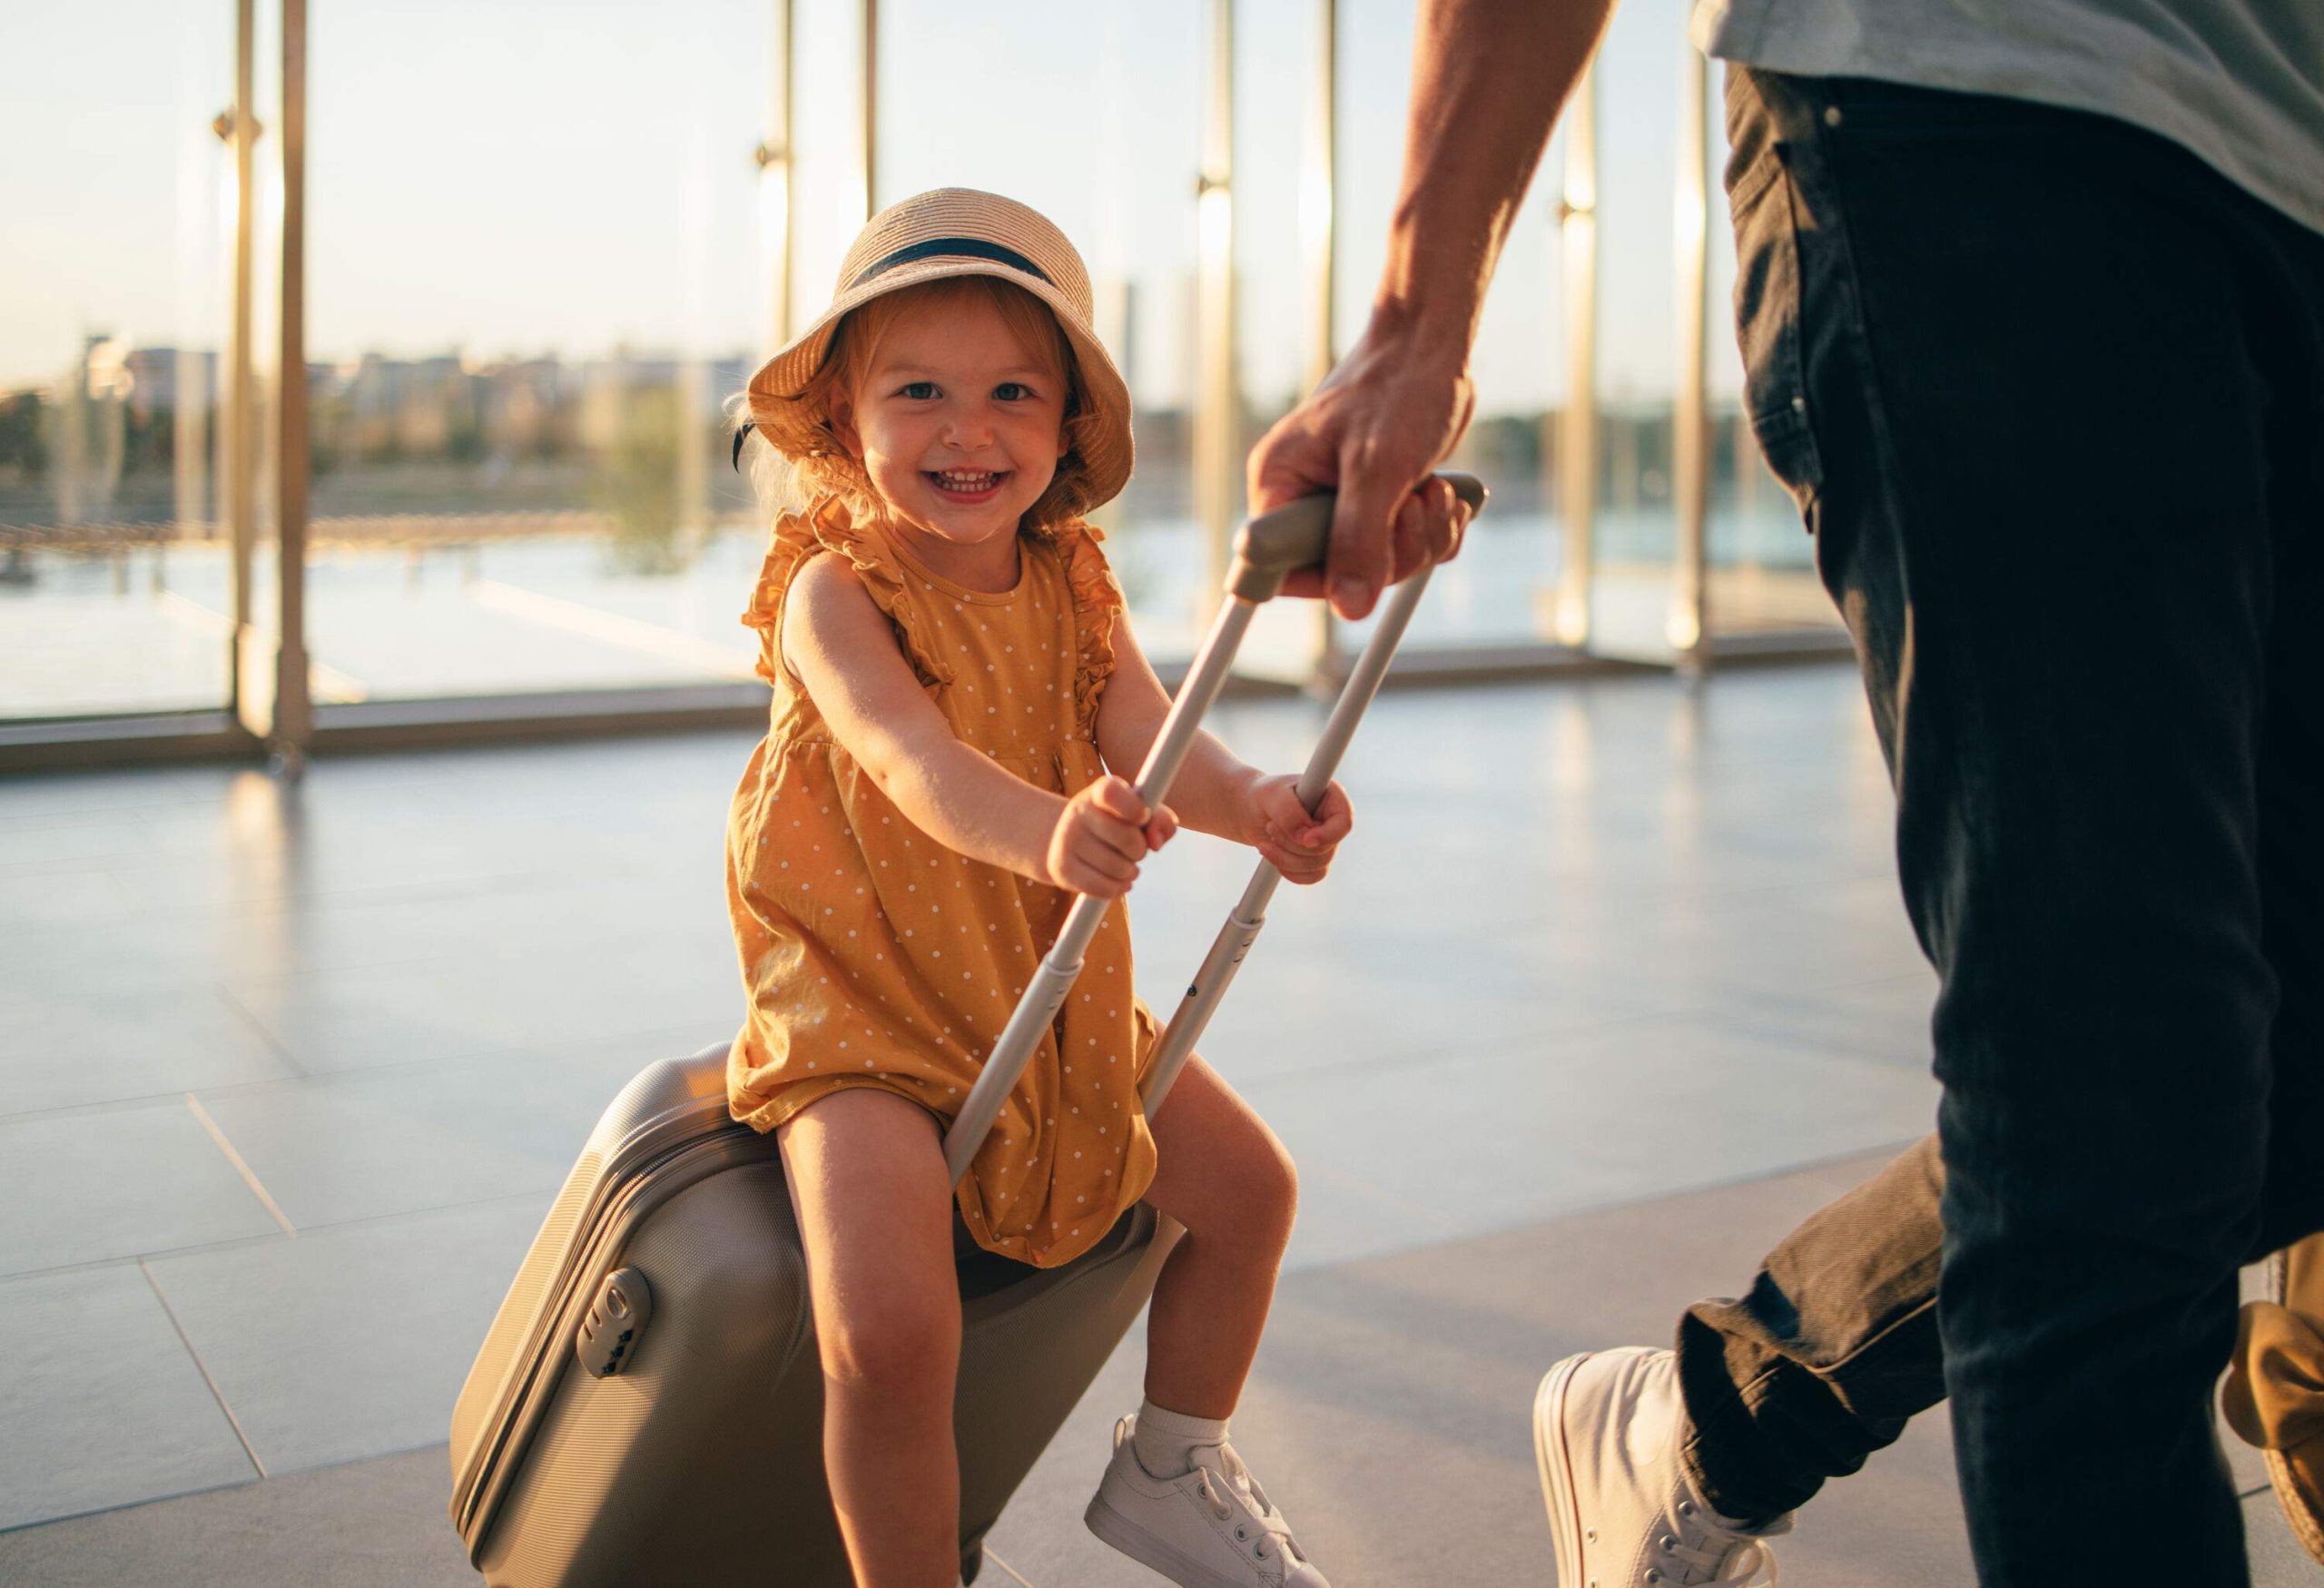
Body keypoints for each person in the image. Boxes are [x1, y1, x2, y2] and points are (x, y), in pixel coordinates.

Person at [1248, 2, 2324, 1584]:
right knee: (2113, 1062)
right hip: (1969, 120)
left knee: (2274, 1068)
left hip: (2289, 185)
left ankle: (1721, 1412)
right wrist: (1421, 312)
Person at [724, 188, 1373, 1588]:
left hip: (1035, 982)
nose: (971, 429)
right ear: (844, 418)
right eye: (922, 392)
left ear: (1070, 425)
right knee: (890, 1329)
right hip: (866, 1009)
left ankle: (1171, 1462)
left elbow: (1149, 735)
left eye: (1015, 391)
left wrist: (1255, 803)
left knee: (1249, 1192)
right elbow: (912, 762)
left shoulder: (1073, 580)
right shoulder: (831, 590)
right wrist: (1048, 834)